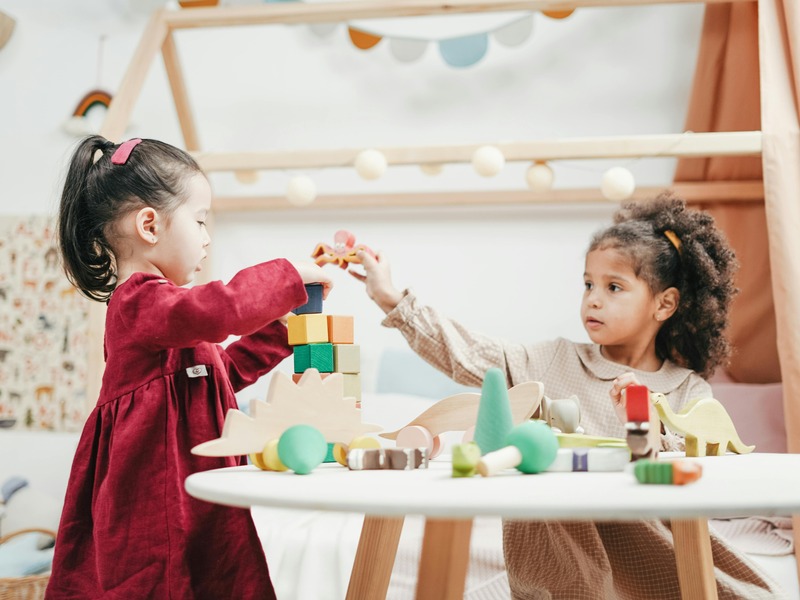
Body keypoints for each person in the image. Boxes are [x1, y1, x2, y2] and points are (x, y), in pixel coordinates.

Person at [352, 193, 785, 599]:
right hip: (563, 558)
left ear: (664, 304)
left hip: (651, 549)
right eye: (587, 285)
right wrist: (390, 297)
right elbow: (467, 353)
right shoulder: (552, 361)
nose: (592, 301)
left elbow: (697, 468)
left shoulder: (687, 389)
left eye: (613, 287)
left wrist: (646, 427)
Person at [47, 135, 332, 599]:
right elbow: (217, 312)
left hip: (196, 494)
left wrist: (284, 328)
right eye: (199, 221)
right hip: (154, 501)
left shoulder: (172, 321)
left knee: (216, 575)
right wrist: (285, 277)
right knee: (161, 582)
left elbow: (223, 371)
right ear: (149, 226)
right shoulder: (139, 303)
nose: (206, 237)